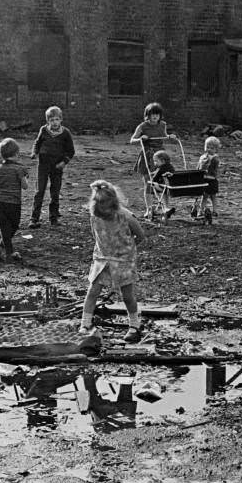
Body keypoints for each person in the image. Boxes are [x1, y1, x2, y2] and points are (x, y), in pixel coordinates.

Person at [80, 179, 147, 342]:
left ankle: (134, 325)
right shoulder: (94, 215)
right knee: (92, 291)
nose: (103, 210)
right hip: (102, 258)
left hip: (123, 260)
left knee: (127, 295)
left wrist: (127, 249)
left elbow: (141, 236)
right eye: (99, 206)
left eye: (106, 206)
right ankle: (85, 323)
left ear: (114, 203)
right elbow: (96, 235)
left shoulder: (126, 216)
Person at [29, 105, 76, 228]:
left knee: (55, 192)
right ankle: (34, 218)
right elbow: (37, 143)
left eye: (56, 119)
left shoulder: (65, 133)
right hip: (43, 165)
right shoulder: (44, 130)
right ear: (47, 121)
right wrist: (34, 152)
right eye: (51, 120)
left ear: (61, 119)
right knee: (39, 191)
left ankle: (53, 218)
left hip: (57, 166)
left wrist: (64, 162)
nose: (54, 122)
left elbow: (71, 151)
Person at [130, 102, 176, 217]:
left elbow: (165, 135)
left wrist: (170, 136)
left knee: (164, 181)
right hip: (148, 156)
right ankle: (149, 209)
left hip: (160, 156)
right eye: (152, 114)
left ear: (160, 115)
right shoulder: (142, 126)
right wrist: (141, 138)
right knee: (148, 183)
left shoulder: (163, 125)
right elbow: (132, 140)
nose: (155, 117)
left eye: (157, 114)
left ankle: (165, 207)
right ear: (148, 115)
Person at [0, 138, 30, 261]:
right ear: (16, 154)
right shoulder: (19, 169)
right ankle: (10, 253)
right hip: (14, 203)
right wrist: (24, 177)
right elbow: (25, 186)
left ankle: (0, 249)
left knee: (4, 228)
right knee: (13, 226)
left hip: (0, 202)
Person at [191, 135, 221, 224]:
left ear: (216, 149)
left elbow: (211, 167)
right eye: (207, 147)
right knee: (204, 195)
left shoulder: (215, 158)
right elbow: (199, 166)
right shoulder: (202, 157)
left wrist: (208, 159)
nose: (209, 149)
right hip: (203, 179)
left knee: (213, 195)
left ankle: (215, 210)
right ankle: (201, 210)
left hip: (211, 179)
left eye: (211, 148)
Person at [148, 149, 176, 221]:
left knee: (153, 184)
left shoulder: (160, 168)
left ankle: (164, 208)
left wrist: (152, 181)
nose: (155, 163)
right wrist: (155, 172)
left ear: (163, 161)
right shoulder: (170, 166)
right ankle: (166, 207)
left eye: (156, 161)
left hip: (165, 188)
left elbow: (154, 179)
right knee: (165, 190)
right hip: (173, 187)